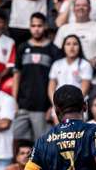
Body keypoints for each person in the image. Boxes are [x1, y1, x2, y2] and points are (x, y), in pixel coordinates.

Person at [13, 13, 61, 144]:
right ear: (29, 27)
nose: (36, 29)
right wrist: (14, 100)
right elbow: (16, 75)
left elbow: (57, 81)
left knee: (43, 143)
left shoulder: (53, 50)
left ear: (45, 26)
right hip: (22, 104)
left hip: (42, 106)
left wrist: (52, 106)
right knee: (16, 140)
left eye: (39, 25)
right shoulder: (22, 48)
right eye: (33, 26)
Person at [53, 0, 96, 91]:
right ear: (73, 9)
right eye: (77, 5)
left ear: (90, 8)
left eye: (84, 5)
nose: (81, 8)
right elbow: (56, 53)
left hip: (95, 79)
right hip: (68, 80)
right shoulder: (64, 29)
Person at [48, 35, 93, 99]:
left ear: (79, 47)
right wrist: (54, 103)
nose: (71, 47)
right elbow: (51, 88)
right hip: (59, 104)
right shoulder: (57, 64)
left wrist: (73, 103)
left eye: (75, 44)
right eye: (68, 44)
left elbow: (85, 89)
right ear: (63, 47)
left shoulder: (85, 64)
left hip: (78, 103)